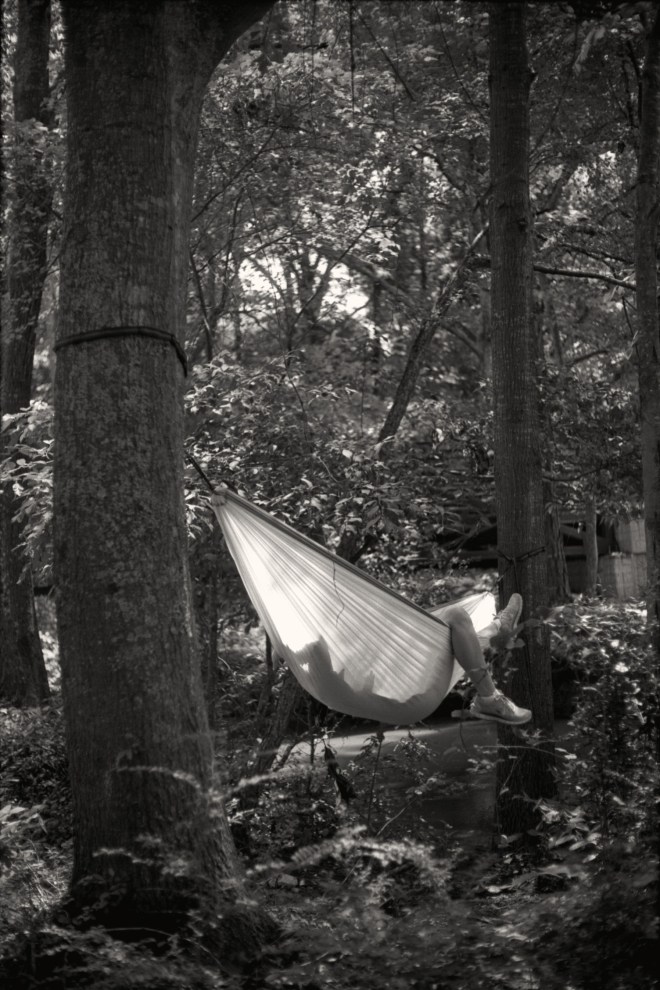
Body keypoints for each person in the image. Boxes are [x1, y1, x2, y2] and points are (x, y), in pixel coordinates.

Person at [438, 593, 532, 725]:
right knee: (455, 615)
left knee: (447, 635)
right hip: (412, 696)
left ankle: (498, 627)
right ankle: (489, 698)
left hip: (411, 693)